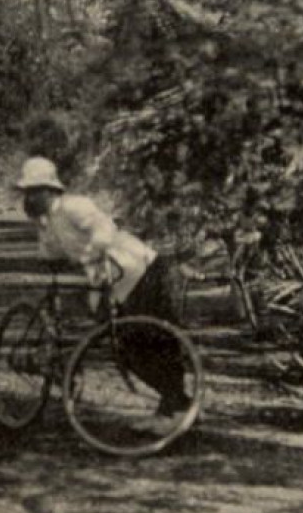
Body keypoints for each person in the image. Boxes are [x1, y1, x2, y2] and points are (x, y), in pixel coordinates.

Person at [15, 156, 191, 414]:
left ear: (50, 191)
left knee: (153, 340)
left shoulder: (73, 206)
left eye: (33, 192)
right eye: (26, 193)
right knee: (124, 348)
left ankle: (176, 402)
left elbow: (105, 230)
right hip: (114, 283)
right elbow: (51, 254)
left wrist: (89, 253)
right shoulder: (48, 222)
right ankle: (174, 402)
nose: (28, 199)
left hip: (140, 271)